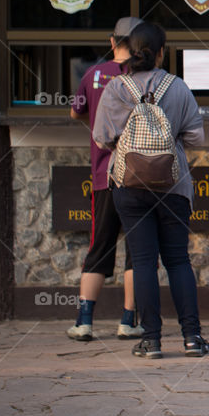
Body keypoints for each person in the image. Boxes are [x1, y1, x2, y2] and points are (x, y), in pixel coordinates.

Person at [93, 21, 209, 359]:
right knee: (177, 260)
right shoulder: (179, 88)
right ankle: (192, 338)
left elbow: (101, 138)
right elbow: (196, 139)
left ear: (129, 50)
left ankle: (152, 340)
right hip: (173, 184)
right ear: (162, 52)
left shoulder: (116, 88)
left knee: (143, 261)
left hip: (129, 186)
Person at [66, 17, 144, 341]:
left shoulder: (94, 74)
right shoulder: (145, 76)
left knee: (99, 246)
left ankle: (84, 321)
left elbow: (75, 112)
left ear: (112, 41)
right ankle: (128, 321)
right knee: (139, 250)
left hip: (104, 175)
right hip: (141, 175)